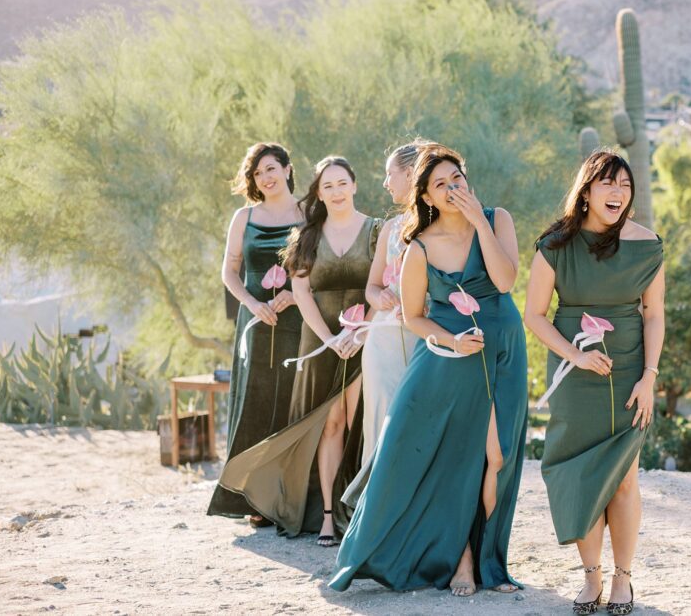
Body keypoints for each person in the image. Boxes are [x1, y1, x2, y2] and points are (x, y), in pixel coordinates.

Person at [329, 143, 527, 595]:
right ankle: (464, 560)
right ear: (426, 196)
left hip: (503, 349)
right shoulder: (418, 246)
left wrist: (479, 222)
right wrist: (452, 341)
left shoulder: (497, 220)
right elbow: (414, 317)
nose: (452, 188)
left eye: (457, 178)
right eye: (441, 184)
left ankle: (489, 558)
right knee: (458, 459)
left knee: (499, 457)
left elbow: (505, 281)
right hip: (449, 357)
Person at [524, 150, 665, 615]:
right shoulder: (555, 246)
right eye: (608, 183)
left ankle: (623, 578)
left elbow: (654, 315)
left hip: (630, 375)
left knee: (623, 479)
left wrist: (649, 378)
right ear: (586, 191)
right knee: (580, 476)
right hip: (573, 375)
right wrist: (576, 356)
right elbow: (534, 316)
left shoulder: (648, 245)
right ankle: (591, 577)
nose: (618, 192)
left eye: (625, 185)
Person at [217, 156, 380, 546]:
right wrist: (328, 339)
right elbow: (302, 290)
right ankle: (326, 517)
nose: (336, 192)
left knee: (364, 427)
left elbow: (383, 287)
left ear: (355, 185)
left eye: (342, 183)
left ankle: (365, 514)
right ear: (318, 193)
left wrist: (362, 332)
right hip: (320, 339)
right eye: (327, 186)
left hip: (365, 338)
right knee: (328, 425)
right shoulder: (307, 235)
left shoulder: (378, 230)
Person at [207, 142, 302, 527]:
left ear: (287, 169)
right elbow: (229, 271)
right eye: (258, 172)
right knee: (256, 402)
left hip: (298, 320)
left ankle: (290, 497)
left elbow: (323, 264)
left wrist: (296, 296)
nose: (265, 177)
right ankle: (252, 499)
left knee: (292, 402)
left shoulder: (309, 212)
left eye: (271, 168)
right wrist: (250, 303)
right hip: (256, 322)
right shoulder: (243, 217)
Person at [341, 141, 429, 507]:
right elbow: (372, 287)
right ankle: (376, 509)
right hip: (383, 341)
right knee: (380, 420)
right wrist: (381, 299)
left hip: (427, 339)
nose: (385, 182)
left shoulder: (441, 225)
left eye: (390, 173)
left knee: (420, 421)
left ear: (410, 174)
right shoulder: (391, 228)